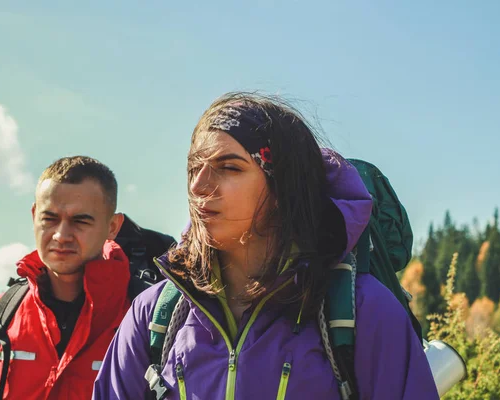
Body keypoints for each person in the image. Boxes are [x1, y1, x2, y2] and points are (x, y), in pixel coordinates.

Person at [93, 93, 440, 399]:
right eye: (193, 167)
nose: (199, 185)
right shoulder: (155, 314)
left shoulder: (363, 312)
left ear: (282, 189)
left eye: (228, 167)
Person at [0, 156, 168, 399]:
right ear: (34, 215)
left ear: (113, 226)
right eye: (50, 218)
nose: (61, 235)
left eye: (80, 221)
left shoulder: (145, 319)